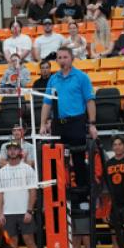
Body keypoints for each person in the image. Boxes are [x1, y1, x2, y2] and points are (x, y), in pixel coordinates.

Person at [40, 47, 97, 191]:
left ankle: (83, 197)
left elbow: (90, 101)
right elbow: (47, 103)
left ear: (72, 58)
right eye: (59, 57)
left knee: (78, 160)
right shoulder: (53, 79)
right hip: (58, 124)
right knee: (56, 161)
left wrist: (92, 124)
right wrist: (42, 123)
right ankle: (58, 196)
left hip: (76, 122)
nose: (62, 60)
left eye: (65, 57)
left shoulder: (81, 77)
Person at [0, 142, 38, 248]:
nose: (12, 151)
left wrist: (29, 211)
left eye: (15, 149)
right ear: (7, 152)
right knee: (11, 243)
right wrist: (0, 213)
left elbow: (33, 192)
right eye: (10, 149)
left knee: (29, 240)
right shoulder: (1, 172)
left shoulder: (27, 169)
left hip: (24, 211)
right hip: (8, 213)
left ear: (20, 151)